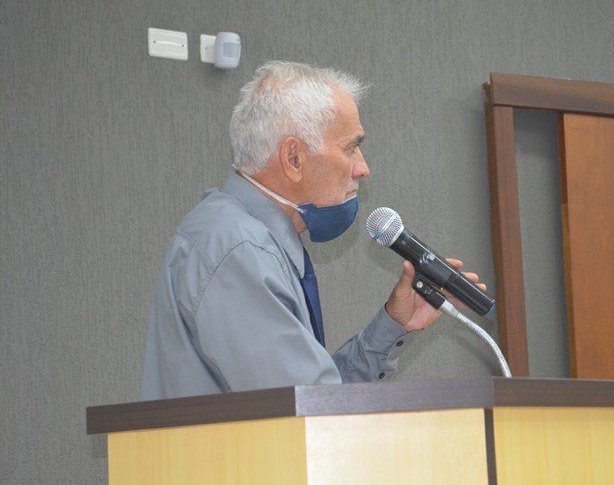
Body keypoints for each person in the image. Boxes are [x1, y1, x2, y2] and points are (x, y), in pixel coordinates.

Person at [139, 61, 482, 400]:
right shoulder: (239, 250)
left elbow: (311, 398)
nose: (363, 168)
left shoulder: (246, 239)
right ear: (293, 158)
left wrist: (394, 324)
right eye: (351, 147)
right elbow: (310, 413)